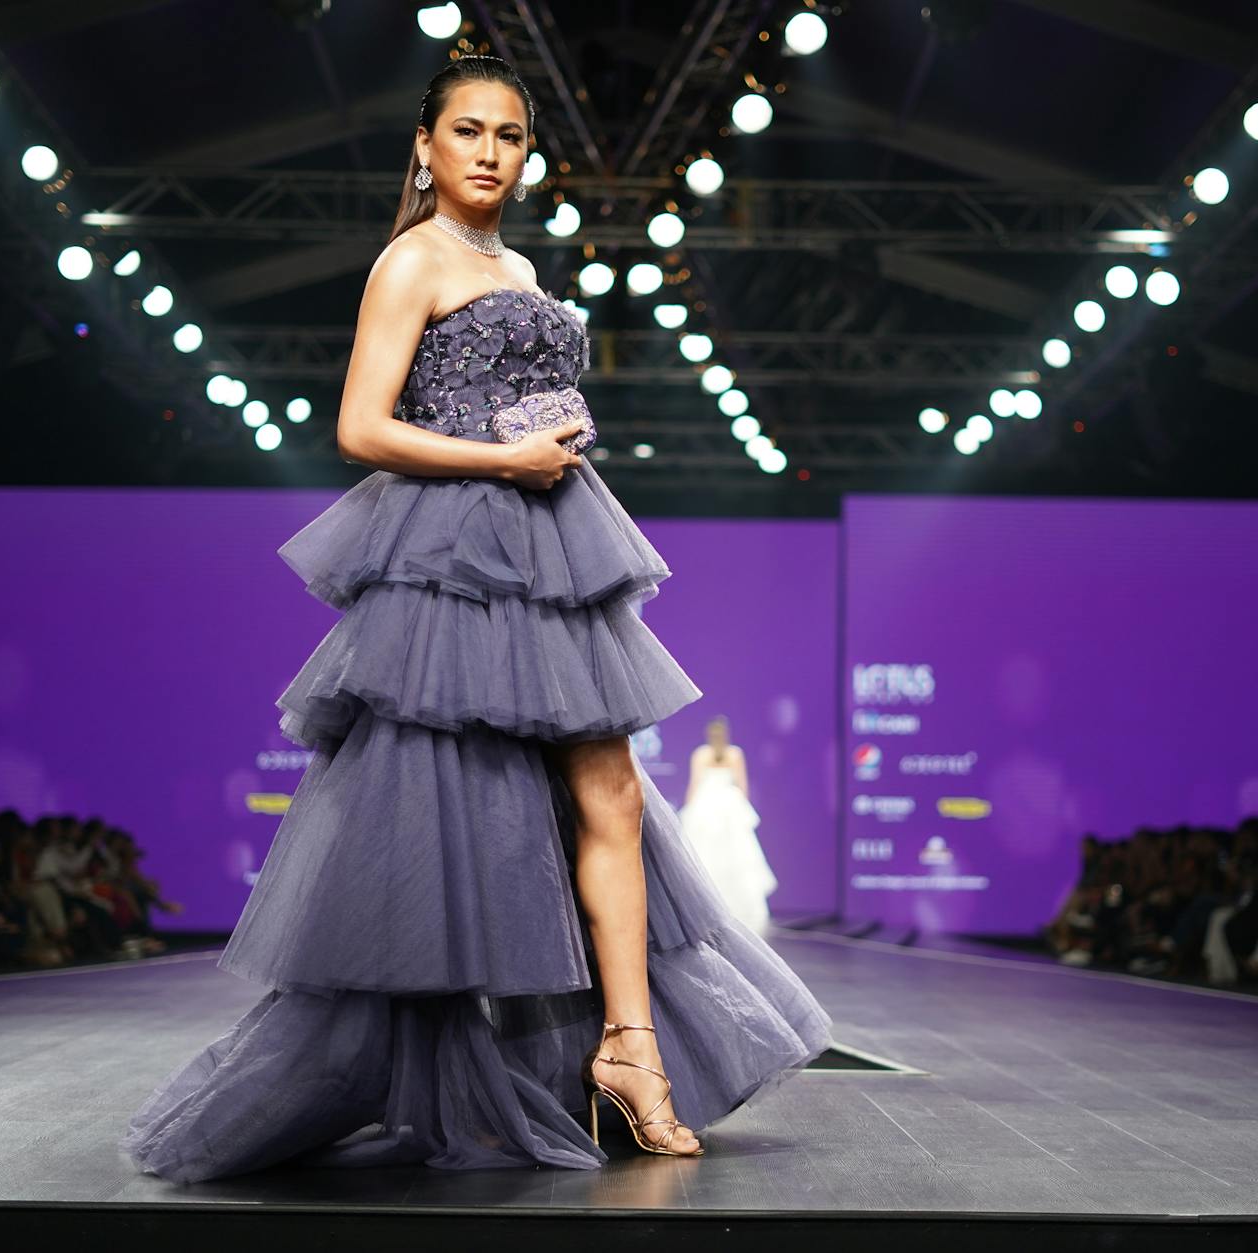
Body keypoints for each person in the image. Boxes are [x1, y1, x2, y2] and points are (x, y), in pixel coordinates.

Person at [119, 55, 831, 1182]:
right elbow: (360, 424)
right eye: (467, 130)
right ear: (425, 145)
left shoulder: (520, 262)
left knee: (605, 788)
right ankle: (470, 1059)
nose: (490, 150)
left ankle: (628, 1048)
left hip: (550, 536)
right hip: (458, 549)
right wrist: (501, 454)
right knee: (468, 812)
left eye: (508, 133)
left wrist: (549, 436)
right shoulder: (410, 260)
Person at [678, 716, 779, 929]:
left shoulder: (701, 754)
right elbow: (742, 785)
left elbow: (694, 784)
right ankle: (737, 907)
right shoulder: (734, 753)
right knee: (736, 854)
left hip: (705, 806)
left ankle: (706, 905)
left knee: (707, 854)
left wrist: (687, 809)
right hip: (728, 805)